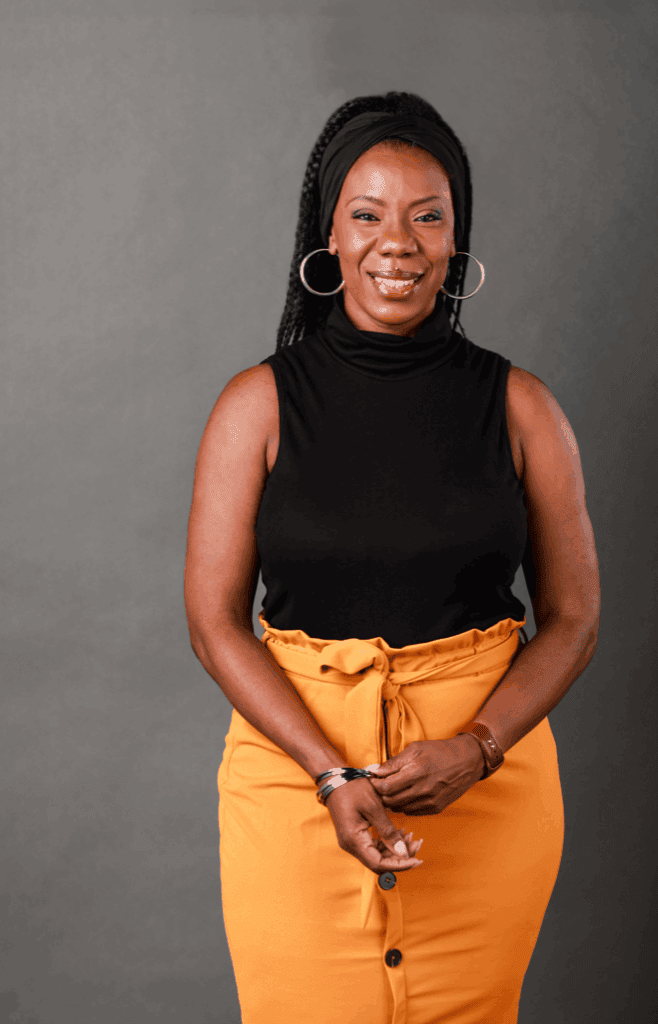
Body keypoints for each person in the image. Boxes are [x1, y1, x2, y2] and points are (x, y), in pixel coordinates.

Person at [184, 90, 600, 1024]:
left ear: (458, 238)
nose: (397, 243)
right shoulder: (255, 405)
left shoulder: (523, 408)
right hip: (296, 787)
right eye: (366, 214)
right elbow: (214, 625)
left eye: (427, 216)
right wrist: (329, 775)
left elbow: (573, 619)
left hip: (484, 797)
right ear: (326, 236)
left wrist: (479, 750)